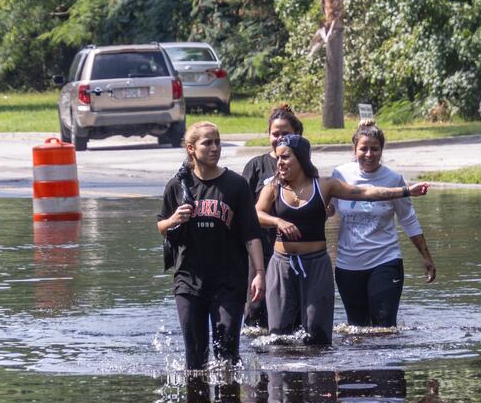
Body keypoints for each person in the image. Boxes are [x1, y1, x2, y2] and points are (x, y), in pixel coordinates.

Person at [255, 134, 429, 347]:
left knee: (317, 335)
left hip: (315, 264)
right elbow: (256, 214)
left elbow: (366, 192)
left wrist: (405, 191)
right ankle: (283, 378)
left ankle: (318, 377)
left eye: (285, 157)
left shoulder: (325, 185)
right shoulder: (273, 186)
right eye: (278, 158)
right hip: (282, 264)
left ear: (300, 158)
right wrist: (277, 221)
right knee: (279, 334)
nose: (279, 163)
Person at [158, 122, 265, 370]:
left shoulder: (236, 185)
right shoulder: (178, 185)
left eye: (217, 141)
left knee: (226, 356)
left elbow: (251, 234)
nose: (215, 147)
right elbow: (161, 226)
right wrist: (174, 219)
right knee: (195, 360)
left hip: (229, 282)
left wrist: (259, 273)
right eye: (207, 142)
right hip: (188, 281)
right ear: (191, 148)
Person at [331, 123, 436, 328]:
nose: (369, 154)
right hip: (348, 265)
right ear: (354, 150)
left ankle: (388, 359)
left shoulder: (393, 178)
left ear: (382, 150)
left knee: (384, 326)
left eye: (375, 148)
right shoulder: (340, 175)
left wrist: (426, 256)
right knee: (356, 329)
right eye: (363, 148)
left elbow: (408, 219)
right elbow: (329, 209)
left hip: (385, 260)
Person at [240, 104, 303, 329]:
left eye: (285, 133)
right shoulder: (257, 166)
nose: (279, 138)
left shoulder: (304, 166)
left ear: (298, 134)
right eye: (275, 134)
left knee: (292, 310)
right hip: (261, 251)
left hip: (295, 251)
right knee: (256, 309)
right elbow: (243, 211)